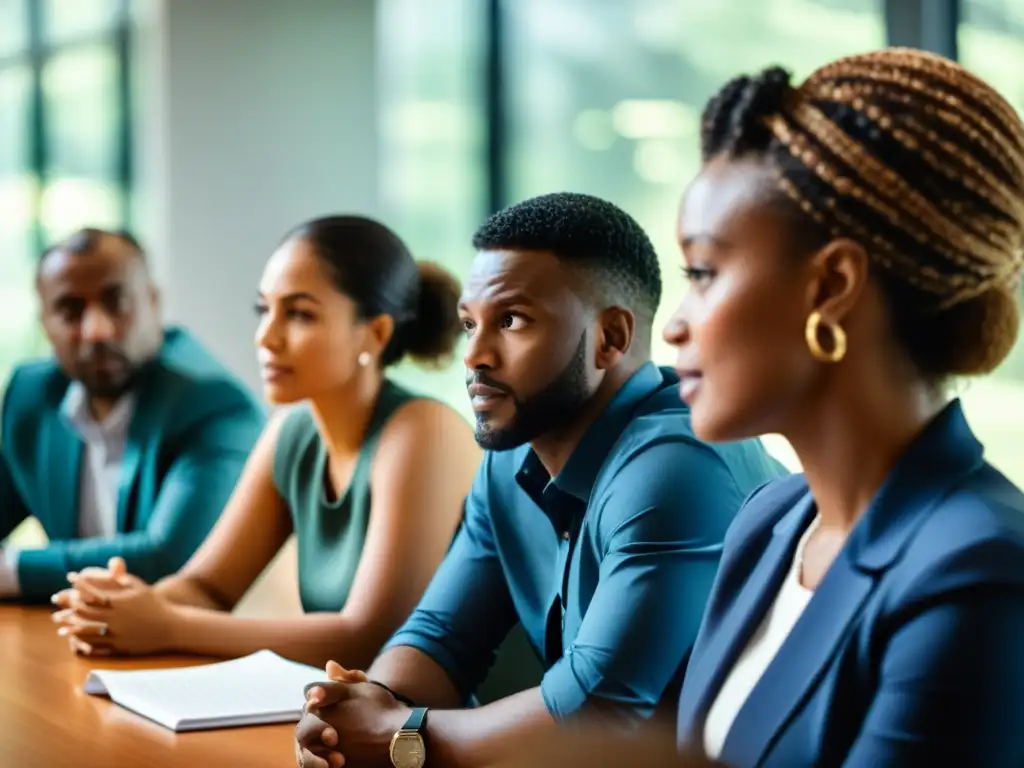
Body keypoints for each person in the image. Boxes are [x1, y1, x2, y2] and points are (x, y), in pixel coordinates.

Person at [294, 192, 786, 768]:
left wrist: (395, 734)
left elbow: (596, 712)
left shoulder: (675, 467)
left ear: (611, 337)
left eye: (512, 321)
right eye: (469, 324)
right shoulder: (510, 458)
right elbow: (440, 639)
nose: (474, 355)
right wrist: (357, 709)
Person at [661, 49, 1024, 766]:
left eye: (703, 273)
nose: (673, 325)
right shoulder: (768, 522)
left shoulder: (979, 576)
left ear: (831, 286)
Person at [51, 216, 480, 668]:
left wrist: (165, 625)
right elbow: (207, 588)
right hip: (358, 717)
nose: (266, 337)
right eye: (264, 310)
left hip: (457, 726)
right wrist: (127, 606)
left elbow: (369, 638)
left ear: (375, 333)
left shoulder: (422, 431)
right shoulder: (291, 432)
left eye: (298, 314)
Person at [0, 228, 264, 604]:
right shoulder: (32, 394)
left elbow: (166, 558)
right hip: (70, 637)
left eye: (116, 302)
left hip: (187, 651)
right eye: (70, 311)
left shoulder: (215, 405)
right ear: (45, 323)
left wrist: (12, 570)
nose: (96, 331)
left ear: (154, 303)